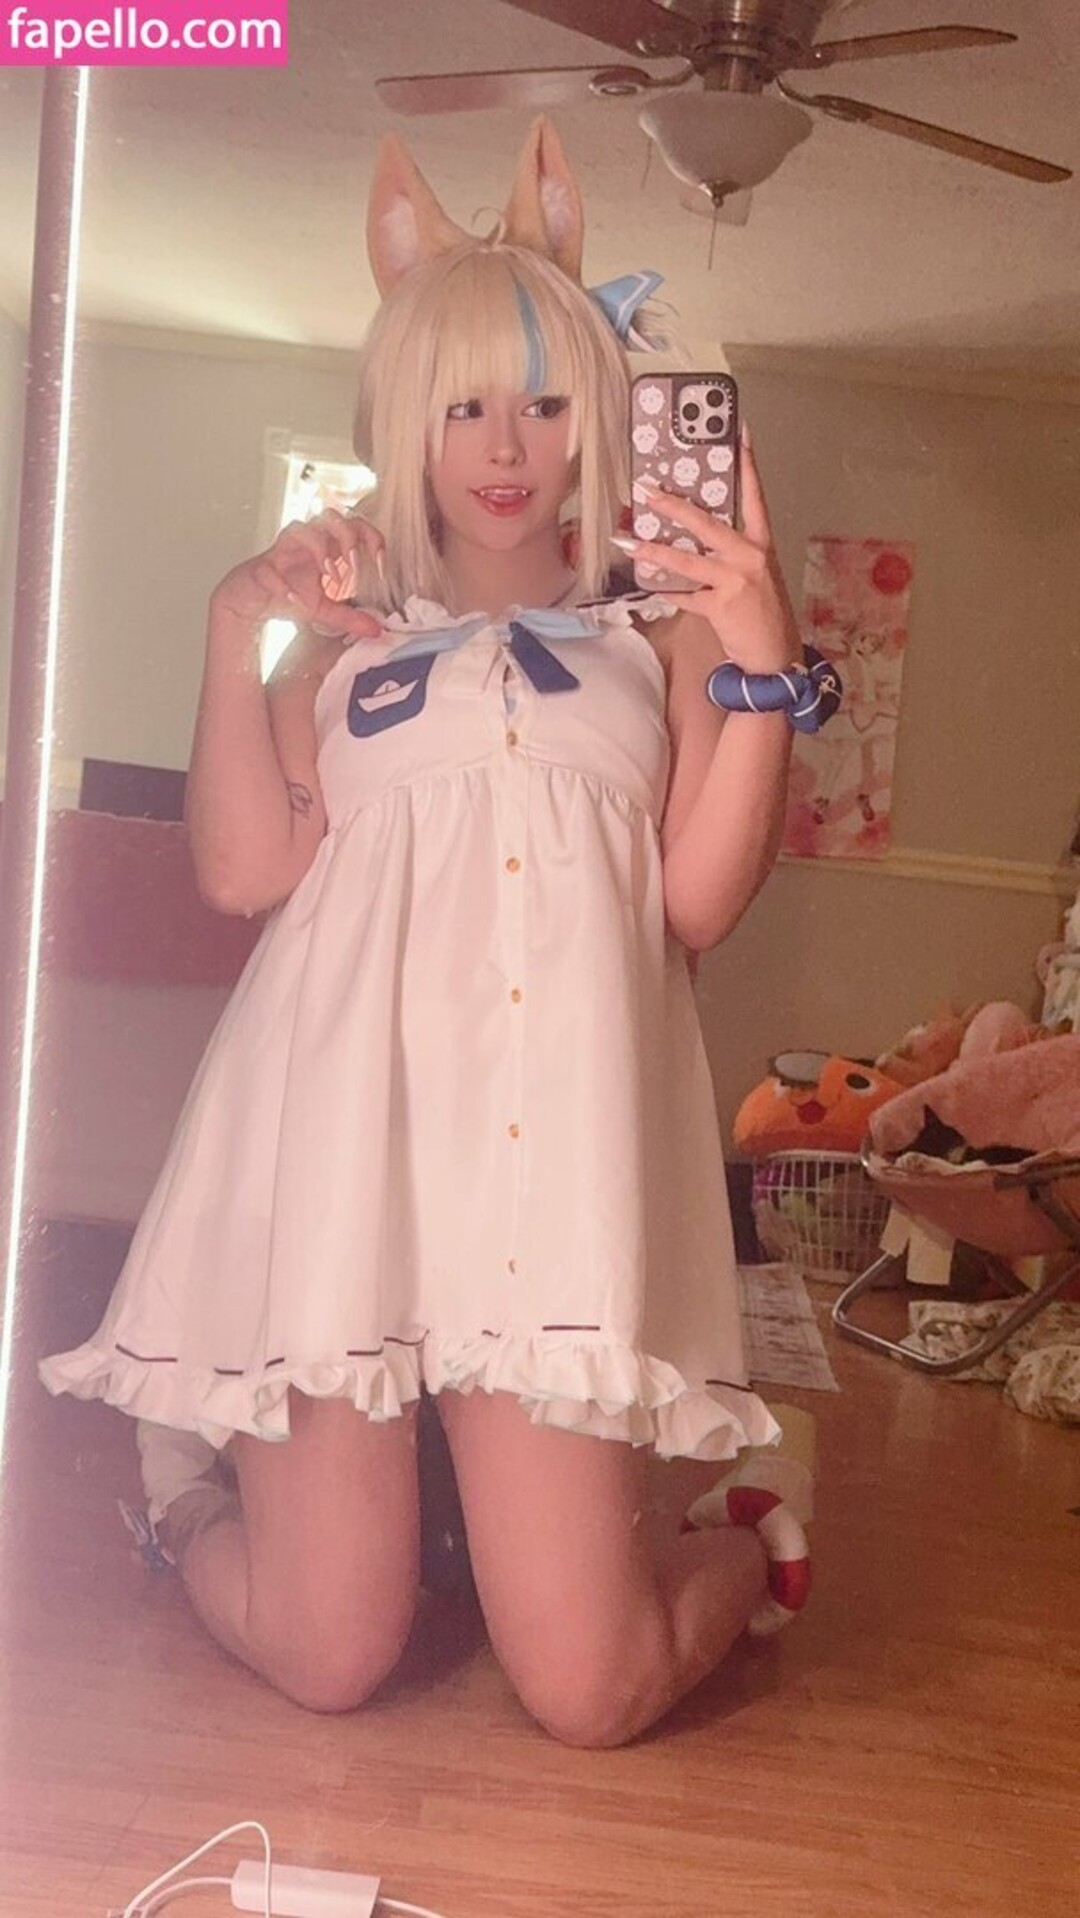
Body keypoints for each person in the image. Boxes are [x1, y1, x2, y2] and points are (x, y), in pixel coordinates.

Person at [41, 119, 815, 1748]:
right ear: (407, 416)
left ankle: (752, 1530)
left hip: (551, 1190)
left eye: (541, 399)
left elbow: (694, 902)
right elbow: (244, 870)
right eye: (463, 404)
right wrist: (236, 624)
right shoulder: (341, 639)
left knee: (592, 1689)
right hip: (343, 1168)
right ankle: (182, 1500)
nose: (505, 445)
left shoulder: (656, 639)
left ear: (595, 409)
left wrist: (763, 654)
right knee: (330, 1653)